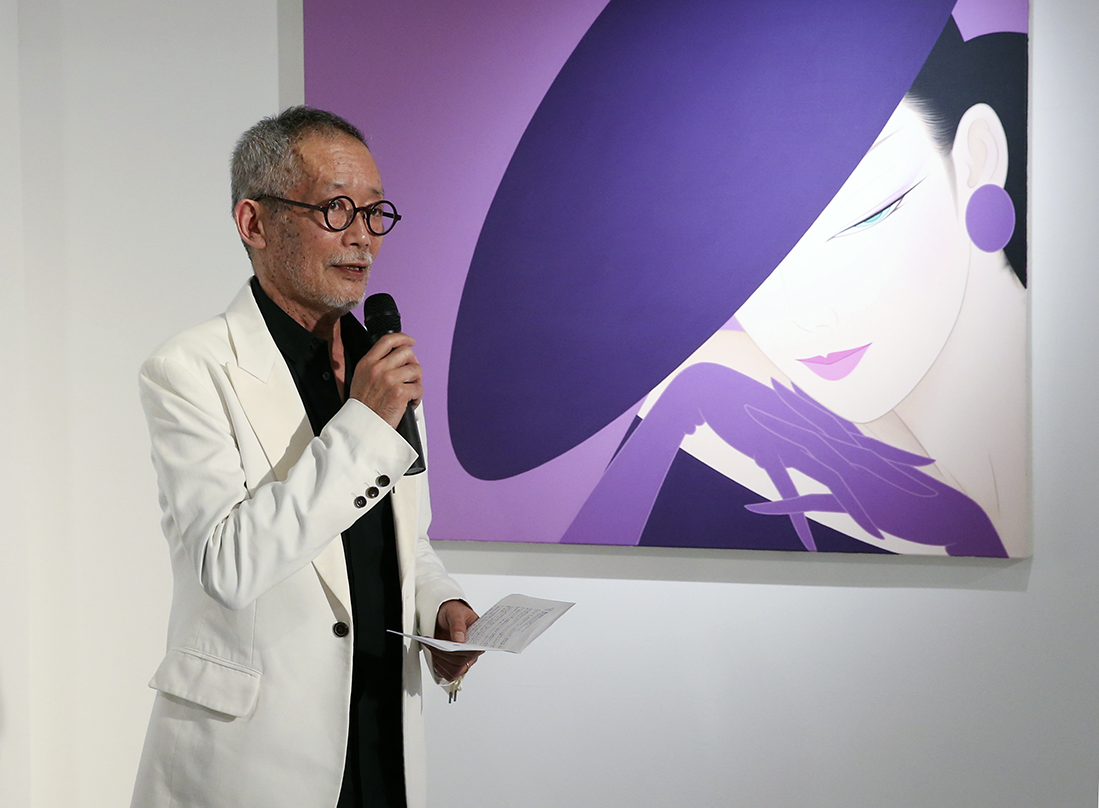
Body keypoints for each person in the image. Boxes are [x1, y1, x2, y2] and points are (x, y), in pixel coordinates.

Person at [559, 18, 1027, 557]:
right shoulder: (700, 411)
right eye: (745, 265)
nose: (807, 316)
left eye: (866, 217)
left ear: (977, 158)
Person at [130, 106, 480, 808]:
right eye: (335, 209)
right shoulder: (190, 369)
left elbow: (403, 538)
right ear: (253, 223)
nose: (362, 237)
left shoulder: (378, 363)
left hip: (380, 733)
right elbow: (228, 566)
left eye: (374, 212)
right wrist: (364, 424)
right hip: (252, 756)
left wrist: (439, 603)